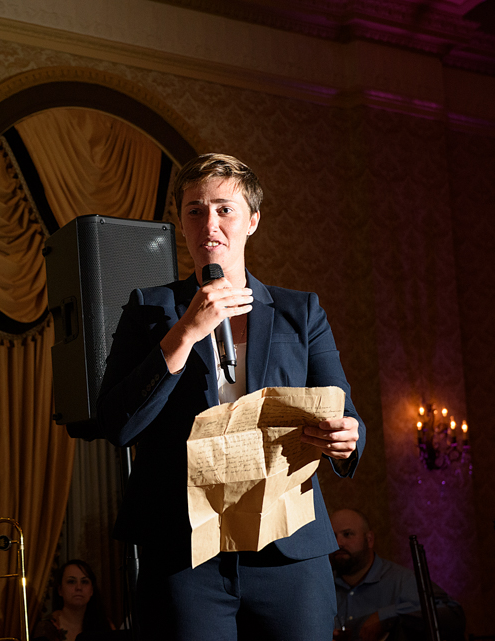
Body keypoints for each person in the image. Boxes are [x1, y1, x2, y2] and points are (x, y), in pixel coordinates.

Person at [95, 153, 366, 641]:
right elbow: (118, 423)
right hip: (185, 554)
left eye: (224, 209)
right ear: (181, 222)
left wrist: (349, 437)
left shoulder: (298, 311)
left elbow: (343, 411)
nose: (209, 223)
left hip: (287, 550)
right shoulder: (148, 311)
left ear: (252, 220)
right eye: (195, 210)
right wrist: (186, 332)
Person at [330, 508, 466, 641]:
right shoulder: (321, 587)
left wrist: (387, 616)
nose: (338, 543)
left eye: (347, 534)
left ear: (369, 539)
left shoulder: (401, 580)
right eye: (332, 536)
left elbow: (453, 614)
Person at [32, 559, 114, 641]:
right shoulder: (47, 628)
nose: (79, 587)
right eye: (71, 582)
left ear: (91, 590)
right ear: (60, 590)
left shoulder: (104, 625)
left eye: (84, 582)